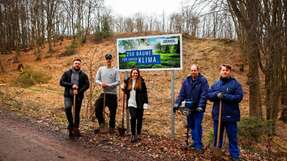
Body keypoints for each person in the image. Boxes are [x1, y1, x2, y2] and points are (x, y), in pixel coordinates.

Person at [207, 64, 243, 161]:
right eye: (223, 70)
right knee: (217, 136)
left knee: (232, 137)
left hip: (231, 116)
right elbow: (209, 95)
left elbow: (239, 97)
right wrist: (216, 94)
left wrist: (225, 96)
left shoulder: (235, 84)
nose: (225, 72)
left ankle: (235, 156)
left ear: (229, 72)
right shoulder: (216, 84)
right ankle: (216, 154)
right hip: (217, 115)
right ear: (220, 71)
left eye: (227, 70)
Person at [173, 64, 209, 153]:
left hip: (198, 108)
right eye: (192, 70)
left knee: (197, 126)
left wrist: (200, 106)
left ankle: (198, 145)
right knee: (191, 125)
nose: (193, 72)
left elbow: (204, 94)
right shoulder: (186, 81)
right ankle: (194, 141)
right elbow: (182, 94)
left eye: (195, 70)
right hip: (189, 108)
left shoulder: (203, 81)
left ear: (198, 70)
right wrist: (177, 103)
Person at [60, 58, 90, 137]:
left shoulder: (83, 75)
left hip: (78, 97)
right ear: (73, 64)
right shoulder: (67, 73)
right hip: (68, 95)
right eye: (76, 63)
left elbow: (87, 85)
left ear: (80, 65)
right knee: (67, 108)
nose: (77, 64)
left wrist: (79, 91)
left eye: (79, 63)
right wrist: (71, 85)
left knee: (76, 113)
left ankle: (76, 128)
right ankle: (71, 124)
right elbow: (61, 82)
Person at [94, 53, 120, 134]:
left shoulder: (115, 70)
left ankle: (112, 127)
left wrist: (108, 85)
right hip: (103, 93)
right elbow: (96, 79)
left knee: (113, 112)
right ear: (105, 60)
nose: (108, 60)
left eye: (110, 58)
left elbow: (118, 82)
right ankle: (102, 125)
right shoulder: (101, 69)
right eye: (107, 59)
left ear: (112, 60)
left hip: (112, 94)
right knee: (97, 108)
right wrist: (101, 83)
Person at [122, 68, 148, 143]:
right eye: (134, 73)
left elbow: (145, 92)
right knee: (133, 117)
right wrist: (123, 89)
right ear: (131, 73)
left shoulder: (141, 82)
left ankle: (139, 133)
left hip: (140, 103)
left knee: (139, 119)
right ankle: (133, 134)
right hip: (131, 103)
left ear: (138, 74)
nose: (135, 74)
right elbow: (127, 92)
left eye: (136, 73)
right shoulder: (128, 81)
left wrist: (146, 103)